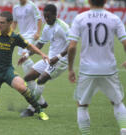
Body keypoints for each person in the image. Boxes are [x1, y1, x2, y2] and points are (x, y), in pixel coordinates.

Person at [50, 0, 126, 134]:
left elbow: (72, 46)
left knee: (82, 105)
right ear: (105, 1)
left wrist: (71, 69)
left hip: (87, 70)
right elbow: (125, 42)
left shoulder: (80, 18)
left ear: (89, 1)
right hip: (109, 69)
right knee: (117, 102)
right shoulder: (114, 18)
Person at [18, 4, 70, 117]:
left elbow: (72, 45)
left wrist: (59, 57)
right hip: (49, 59)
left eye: (49, 17)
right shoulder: (47, 26)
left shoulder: (63, 27)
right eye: (45, 16)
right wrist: (27, 55)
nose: (46, 19)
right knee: (27, 78)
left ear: (55, 15)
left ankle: (32, 108)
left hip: (61, 62)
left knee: (41, 80)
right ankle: (41, 102)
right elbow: (40, 44)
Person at [12, 0, 42, 76]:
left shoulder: (32, 5)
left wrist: (38, 33)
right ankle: (30, 81)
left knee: (24, 55)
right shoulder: (15, 7)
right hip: (21, 36)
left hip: (31, 35)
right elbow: (15, 22)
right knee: (24, 61)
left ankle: (38, 73)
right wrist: (10, 33)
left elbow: (39, 18)